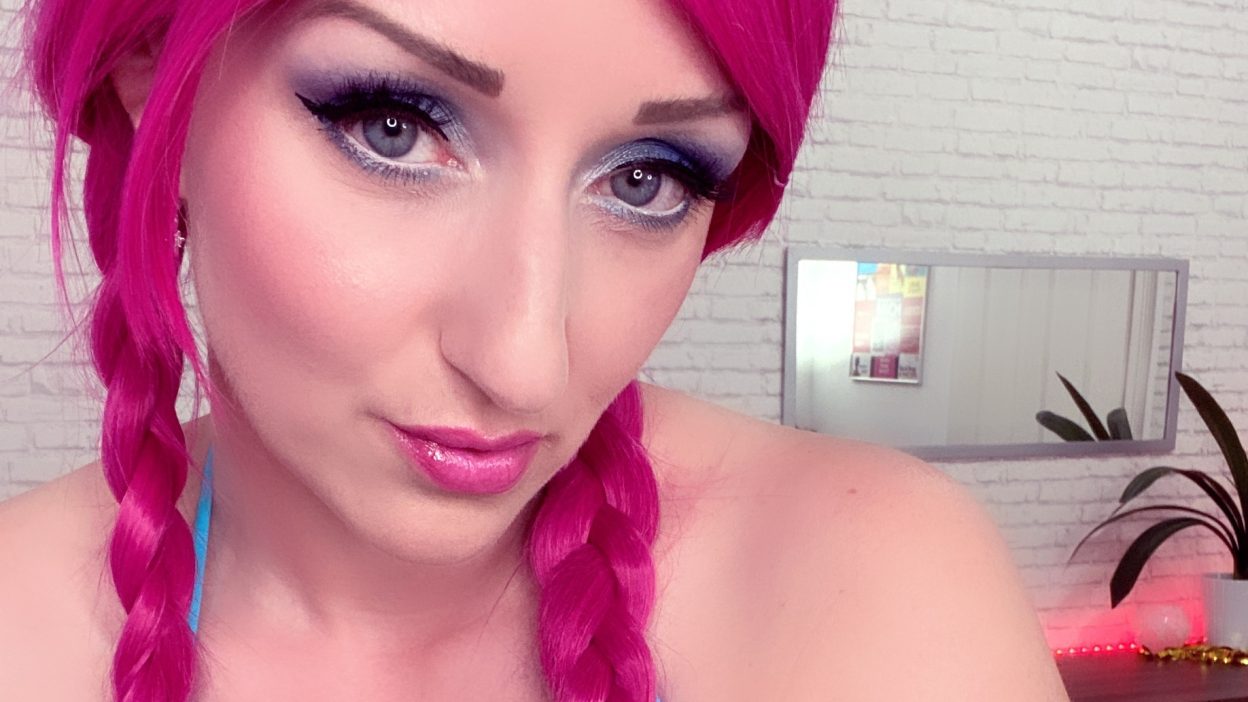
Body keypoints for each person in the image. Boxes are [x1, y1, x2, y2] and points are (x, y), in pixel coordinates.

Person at [0, 0, 1071, 700]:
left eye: (648, 178)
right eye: (392, 127)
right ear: (150, 70)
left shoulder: (872, 591)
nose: (524, 365)